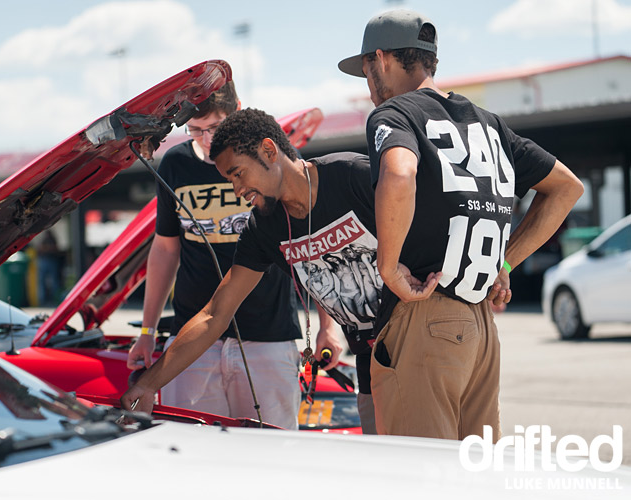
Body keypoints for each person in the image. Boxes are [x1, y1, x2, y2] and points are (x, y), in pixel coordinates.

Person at [338, 9, 584, 440]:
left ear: (381, 59)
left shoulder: (395, 114)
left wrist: (389, 266)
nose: (368, 85)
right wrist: (502, 265)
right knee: (476, 474)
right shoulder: (487, 124)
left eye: (365, 70)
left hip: (425, 316)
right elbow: (566, 188)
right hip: (480, 329)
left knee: (424, 476)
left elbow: (399, 174)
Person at [122, 108, 381, 434]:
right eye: (229, 179)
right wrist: (147, 385)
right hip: (372, 358)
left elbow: (429, 217)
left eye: (238, 173)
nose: (236, 189)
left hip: (418, 339)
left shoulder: (351, 175)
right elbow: (215, 314)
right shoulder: (263, 230)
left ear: (269, 151)